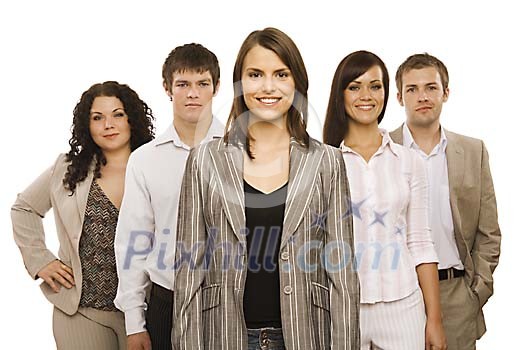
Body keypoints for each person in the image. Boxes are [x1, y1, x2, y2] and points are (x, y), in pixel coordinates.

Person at [171, 27, 359, 350]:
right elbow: (188, 271)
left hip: (304, 336)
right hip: (226, 336)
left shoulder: (327, 162)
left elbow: (342, 275)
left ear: (297, 83)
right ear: (239, 83)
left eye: (281, 74)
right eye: (255, 74)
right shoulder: (204, 161)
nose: (268, 86)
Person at [11, 81, 155, 349]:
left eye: (117, 114)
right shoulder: (68, 168)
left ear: (132, 119)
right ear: (86, 126)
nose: (108, 124)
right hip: (81, 312)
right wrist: (40, 260)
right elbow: (24, 209)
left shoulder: (156, 166)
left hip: (145, 313)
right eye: (97, 118)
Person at [323, 50, 446, 350]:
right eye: (355, 86)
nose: (366, 95)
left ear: (387, 93)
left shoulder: (408, 161)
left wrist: (435, 319)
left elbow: (420, 242)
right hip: (342, 309)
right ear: (340, 95)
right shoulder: (323, 162)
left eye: (375, 86)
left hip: (403, 306)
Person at [113, 43, 223, 350]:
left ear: (216, 87)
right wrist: (134, 323)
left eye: (202, 84)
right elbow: (133, 242)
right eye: (183, 84)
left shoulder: (241, 151)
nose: (192, 93)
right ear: (167, 88)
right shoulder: (145, 160)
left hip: (229, 300)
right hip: (167, 300)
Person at [391, 53, 501, 350]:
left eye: (431, 87)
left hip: (456, 295)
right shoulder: (381, 150)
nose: (422, 96)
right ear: (400, 97)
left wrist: (476, 291)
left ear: (446, 93)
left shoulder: (473, 151)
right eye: (412, 89)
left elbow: (489, 233)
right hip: (398, 295)